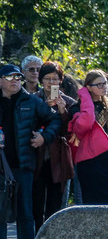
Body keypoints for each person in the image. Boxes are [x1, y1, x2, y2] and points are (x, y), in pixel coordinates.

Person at [0, 64, 61, 239]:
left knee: (25, 213)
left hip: (23, 166)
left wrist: (44, 137)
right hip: (1, 168)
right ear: (0, 81)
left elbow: (55, 119)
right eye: (10, 77)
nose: (15, 81)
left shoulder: (32, 101)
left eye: (18, 77)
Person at [68, 70, 108, 206]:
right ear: (88, 87)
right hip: (89, 161)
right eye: (99, 84)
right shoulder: (77, 107)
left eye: (105, 83)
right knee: (93, 204)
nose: (104, 87)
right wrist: (84, 96)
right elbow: (85, 124)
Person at [32, 62, 75, 227]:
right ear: (41, 80)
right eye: (47, 79)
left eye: (55, 79)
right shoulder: (33, 99)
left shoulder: (69, 102)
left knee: (55, 204)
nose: (51, 83)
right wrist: (47, 109)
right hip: (36, 155)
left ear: (60, 80)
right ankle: (36, 237)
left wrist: (63, 112)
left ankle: (51, 238)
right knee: (36, 203)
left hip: (58, 158)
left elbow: (70, 132)